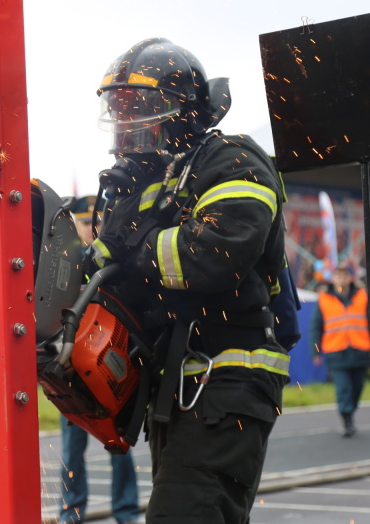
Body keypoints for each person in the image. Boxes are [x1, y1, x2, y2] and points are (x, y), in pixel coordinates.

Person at [87, 38, 291, 523]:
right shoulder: (152, 183)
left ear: (181, 110)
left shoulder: (233, 160)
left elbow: (215, 254)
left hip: (228, 380)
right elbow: (101, 275)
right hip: (179, 386)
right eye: (119, 109)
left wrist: (135, 248)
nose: (127, 123)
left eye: (139, 108)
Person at [59, 195, 139, 524]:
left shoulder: (105, 263)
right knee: (72, 451)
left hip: (106, 364)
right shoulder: (70, 265)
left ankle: (125, 512)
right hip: (74, 370)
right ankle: (73, 512)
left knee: (118, 445)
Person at [308, 262, 370, 437]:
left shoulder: (362, 296)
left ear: (350, 278)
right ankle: (346, 418)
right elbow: (316, 327)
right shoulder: (324, 299)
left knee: (357, 387)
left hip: (359, 349)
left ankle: (350, 410)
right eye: (338, 275)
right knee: (343, 388)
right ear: (333, 278)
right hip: (336, 351)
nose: (342, 278)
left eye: (345, 275)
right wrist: (315, 351)